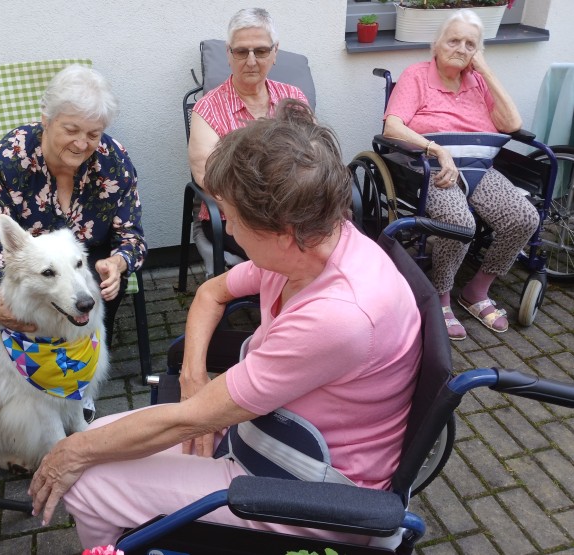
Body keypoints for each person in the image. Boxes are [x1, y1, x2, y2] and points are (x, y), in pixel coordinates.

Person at [29, 100, 422, 549]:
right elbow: (211, 293)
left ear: (283, 230)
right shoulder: (316, 244)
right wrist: (194, 376)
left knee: (85, 477)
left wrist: (69, 452)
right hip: (267, 435)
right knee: (96, 438)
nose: (228, 229)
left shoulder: (340, 315)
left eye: (233, 218)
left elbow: (186, 420)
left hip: (306, 490)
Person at [383, 9, 539, 340]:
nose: (461, 48)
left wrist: (483, 68)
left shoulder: (478, 81)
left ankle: (476, 290)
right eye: (453, 40)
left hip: (479, 168)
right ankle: (440, 296)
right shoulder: (417, 76)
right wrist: (436, 150)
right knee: (458, 223)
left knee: (524, 217)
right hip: (434, 166)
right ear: (436, 45)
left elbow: (511, 125)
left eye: (470, 44)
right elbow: (392, 126)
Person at [0, 64, 146, 347]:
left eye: (93, 134)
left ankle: (90, 350)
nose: (81, 144)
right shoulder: (10, 159)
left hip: (90, 263)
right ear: (46, 119)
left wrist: (118, 263)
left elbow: (131, 237)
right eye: (71, 129)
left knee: (99, 288)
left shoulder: (113, 161)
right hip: (34, 273)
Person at [187, 7, 309, 275]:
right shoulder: (208, 109)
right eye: (241, 51)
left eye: (261, 51)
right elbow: (205, 175)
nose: (251, 61)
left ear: (275, 52)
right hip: (236, 216)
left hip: (295, 209)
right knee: (298, 253)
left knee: (337, 238)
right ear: (229, 55)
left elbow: (312, 156)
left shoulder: (294, 98)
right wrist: (255, 213)